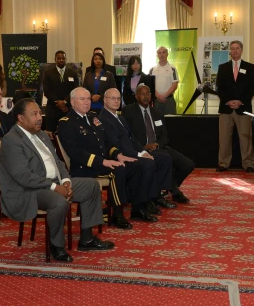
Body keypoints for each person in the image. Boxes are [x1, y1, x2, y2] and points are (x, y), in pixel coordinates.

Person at [0, 98, 114, 262]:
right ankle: (56, 245)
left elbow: (58, 162)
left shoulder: (41, 135)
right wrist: (55, 187)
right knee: (59, 201)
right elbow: (24, 176)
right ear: (20, 118)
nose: (40, 117)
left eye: (39, 113)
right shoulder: (12, 140)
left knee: (91, 185)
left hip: (53, 183)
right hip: (29, 190)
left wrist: (66, 180)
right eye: (34, 114)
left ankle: (87, 239)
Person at [58, 87, 157, 228]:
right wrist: (103, 161)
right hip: (85, 166)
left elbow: (105, 142)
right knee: (118, 171)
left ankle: (138, 207)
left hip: (103, 162)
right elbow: (75, 152)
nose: (86, 102)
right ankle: (117, 213)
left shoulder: (93, 117)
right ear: (72, 102)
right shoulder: (66, 122)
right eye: (82, 99)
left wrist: (118, 155)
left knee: (137, 165)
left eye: (88, 99)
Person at [99, 88, 176, 213]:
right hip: (120, 156)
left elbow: (132, 139)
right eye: (112, 98)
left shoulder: (120, 118)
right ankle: (140, 205)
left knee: (164, 158)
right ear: (105, 100)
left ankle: (154, 197)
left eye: (118, 98)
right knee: (148, 164)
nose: (116, 101)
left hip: (133, 152)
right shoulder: (104, 119)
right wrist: (139, 154)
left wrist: (143, 152)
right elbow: (115, 144)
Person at [123, 84, 194, 204]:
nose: (145, 97)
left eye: (147, 94)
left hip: (159, 147)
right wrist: (143, 147)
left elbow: (164, 136)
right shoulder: (128, 111)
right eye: (142, 94)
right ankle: (173, 192)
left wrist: (157, 144)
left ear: (151, 96)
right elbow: (127, 135)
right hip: (141, 150)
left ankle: (166, 186)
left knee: (188, 164)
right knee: (165, 160)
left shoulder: (157, 112)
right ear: (136, 96)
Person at [216, 40, 254, 173]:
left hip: (243, 108)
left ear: (241, 50)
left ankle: (248, 164)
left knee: (246, 138)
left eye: (237, 48)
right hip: (226, 108)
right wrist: (228, 101)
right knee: (224, 138)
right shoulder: (222, 67)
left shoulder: (250, 67)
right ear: (230, 51)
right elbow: (219, 87)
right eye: (232, 48)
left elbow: (253, 88)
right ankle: (223, 163)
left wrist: (240, 101)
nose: (234, 51)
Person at [42, 50, 80, 131]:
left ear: (66, 59)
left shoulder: (73, 73)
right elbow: (47, 91)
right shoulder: (48, 73)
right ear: (55, 59)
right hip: (53, 109)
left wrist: (65, 102)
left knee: (69, 133)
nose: (61, 60)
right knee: (51, 135)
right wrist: (59, 104)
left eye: (63, 58)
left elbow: (75, 90)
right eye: (59, 58)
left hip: (68, 109)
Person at [148, 46, 179, 115]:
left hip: (169, 100)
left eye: (163, 52)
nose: (161, 55)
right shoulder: (152, 69)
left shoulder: (173, 68)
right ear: (157, 55)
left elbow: (175, 84)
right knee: (156, 122)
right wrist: (158, 96)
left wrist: (165, 96)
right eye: (159, 53)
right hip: (156, 100)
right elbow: (150, 84)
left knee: (171, 122)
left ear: (167, 54)